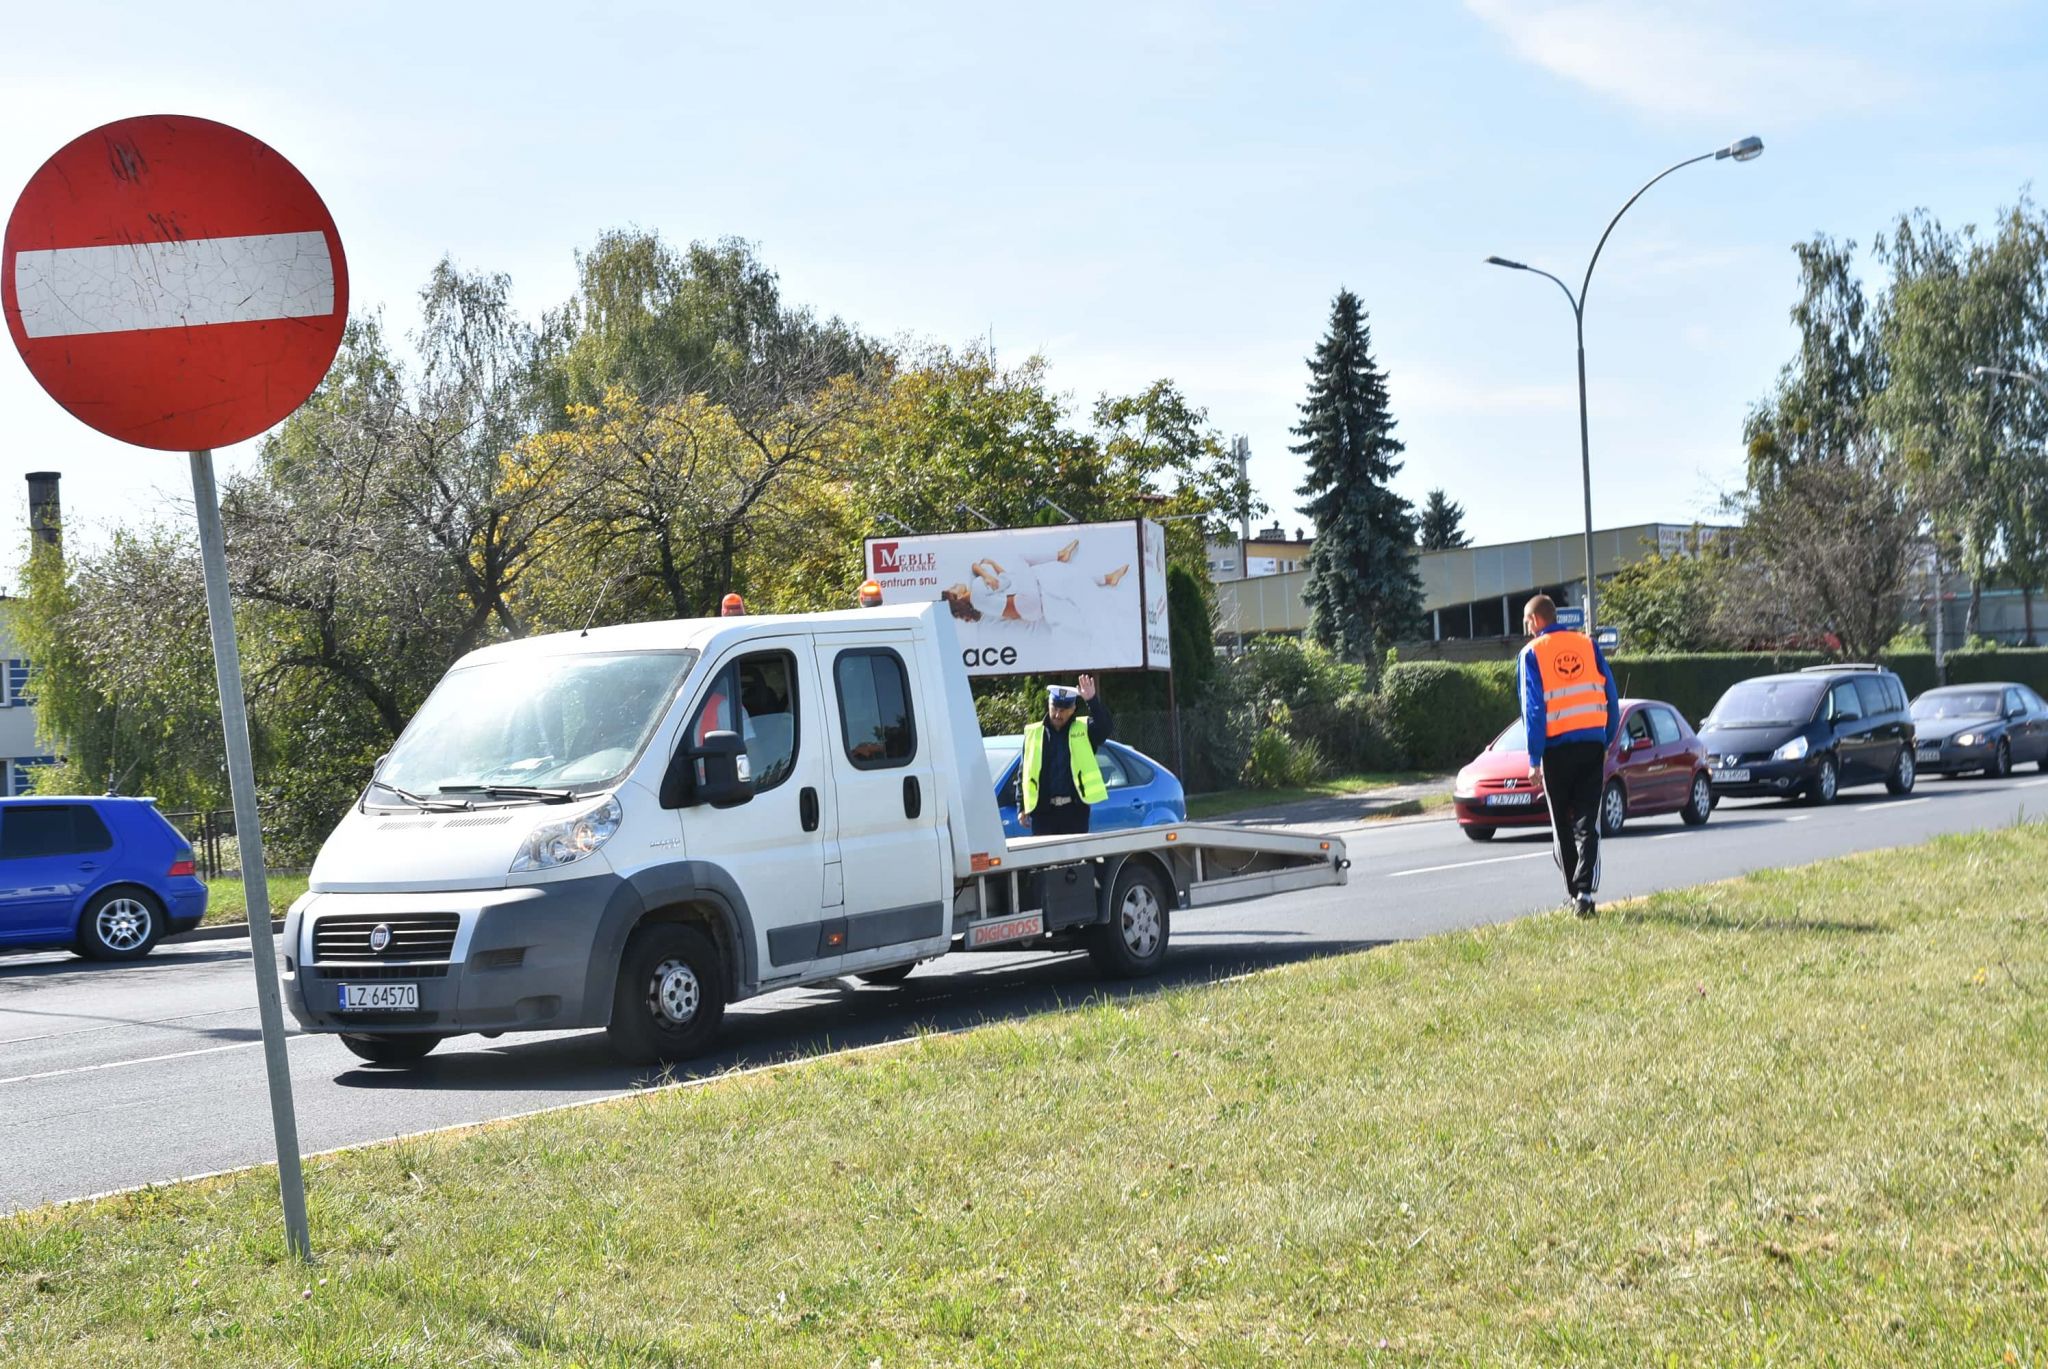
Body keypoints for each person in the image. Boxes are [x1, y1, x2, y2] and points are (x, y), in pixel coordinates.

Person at [1519, 594, 1621, 918]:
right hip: (1591, 745)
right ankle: (1587, 893)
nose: (1526, 629)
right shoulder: (1588, 645)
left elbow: (1534, 709)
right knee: (1588, 822)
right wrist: (1606, 740)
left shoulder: (1531, 653)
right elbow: (1611, 695)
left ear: (1535, 621)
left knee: (1561, 824)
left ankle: (1575, 894)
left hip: (1556, 750)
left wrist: (1534, 759)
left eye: (1526, 622)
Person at [939, 538, 1129, 625]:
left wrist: (986, 569)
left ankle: (1107, 579)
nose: (956, 583)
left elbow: (1006, 582)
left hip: (1030, 613)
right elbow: (1004, 581)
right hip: (1026, 601)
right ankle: (1060, 555)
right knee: (1020, 559)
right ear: (958, 595)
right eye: (954, 587)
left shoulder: (979, 604)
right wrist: (985, 567)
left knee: (1060, 579)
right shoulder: (977, 589)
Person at [1019, 675, 1114, 836]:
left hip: (1074, 812)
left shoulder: (1084, 729)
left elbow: (1105, 728)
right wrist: (1022, 806)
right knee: (1044, 860)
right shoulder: (1034, 733)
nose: (1057, 714)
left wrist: (1091, 700)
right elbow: (1024, 773)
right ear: (1048, 705)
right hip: (1043, 813)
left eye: (1063, 710)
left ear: (1073, 709)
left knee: (1074, 861)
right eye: (1054, 708)